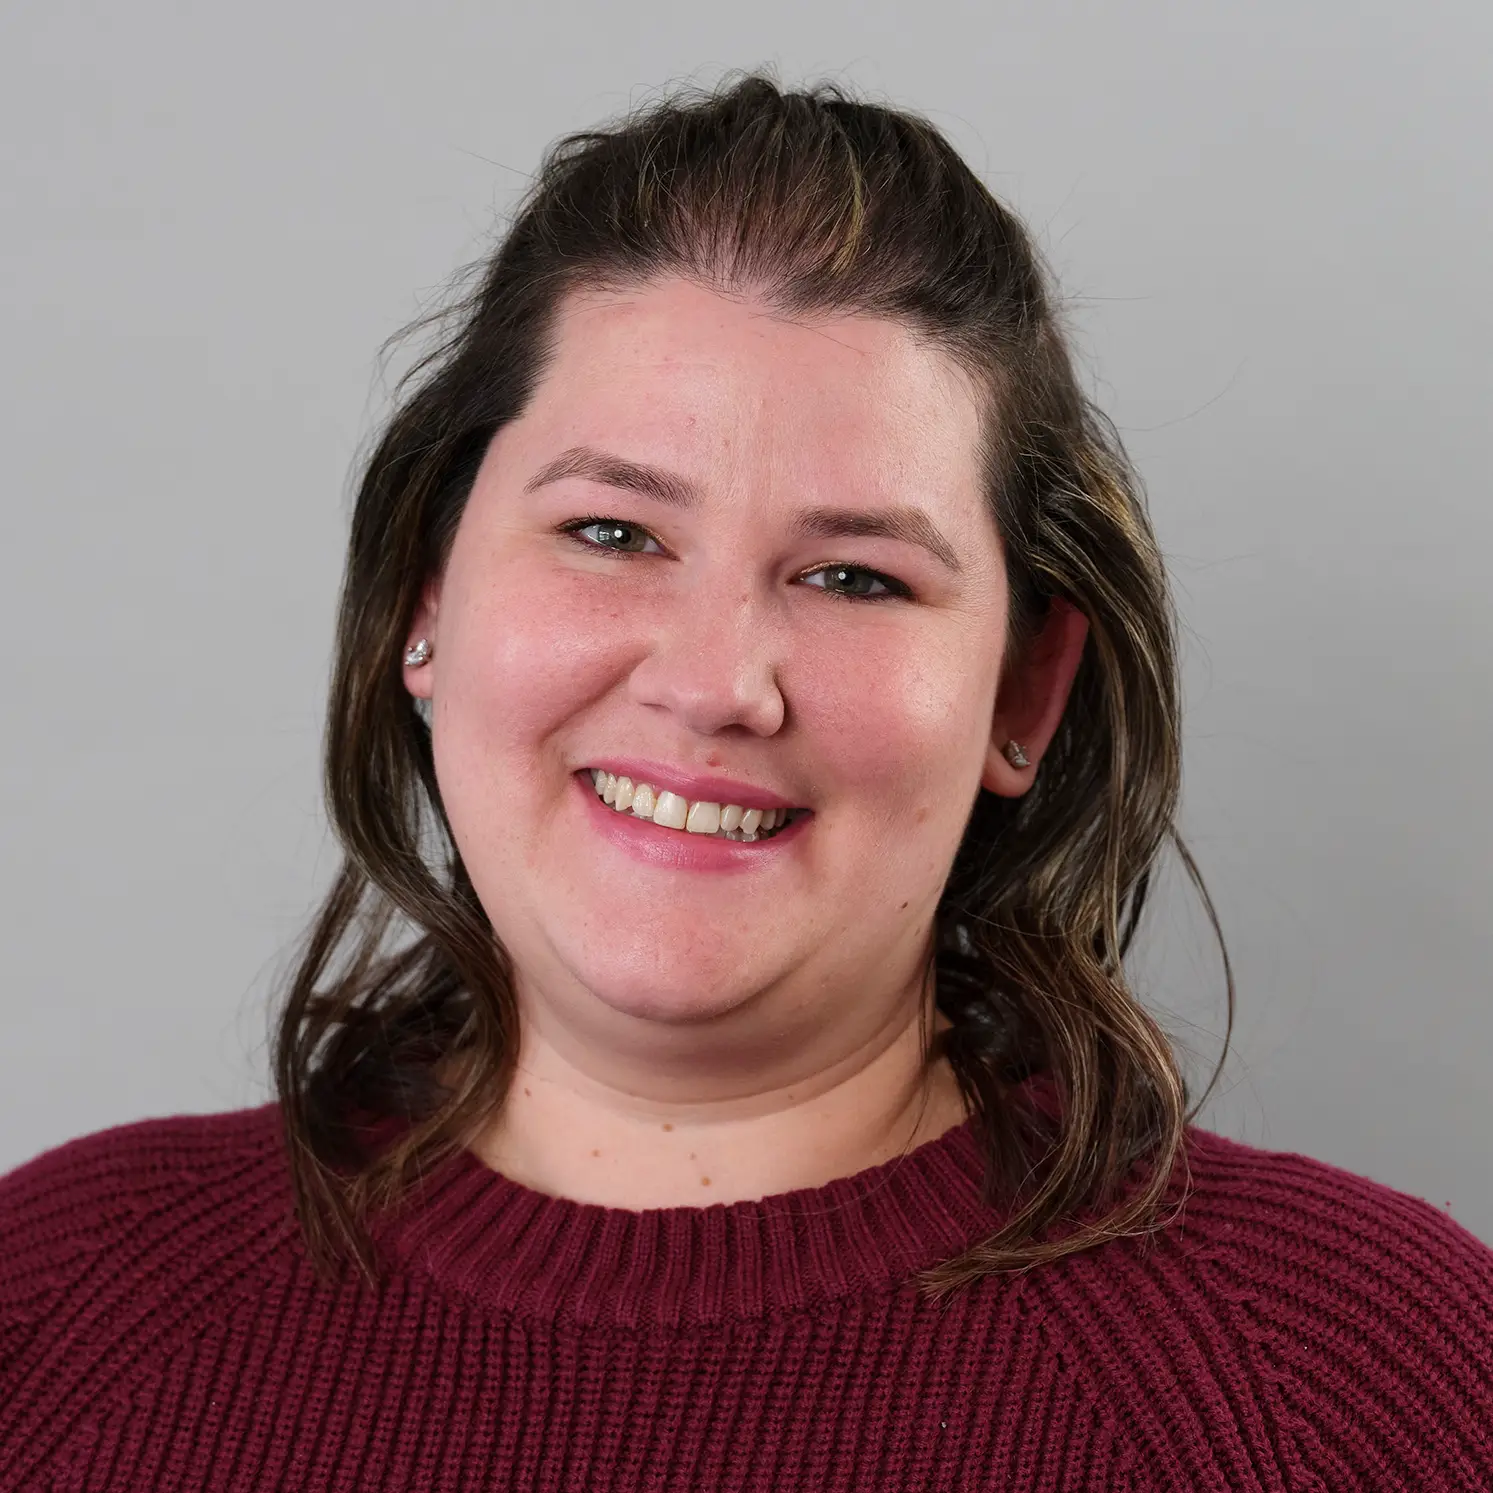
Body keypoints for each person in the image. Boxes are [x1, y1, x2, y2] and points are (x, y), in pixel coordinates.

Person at [2, 73, 1489, 1492]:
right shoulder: (54, 1315)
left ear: (1025, 692)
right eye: (611, 534)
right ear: (427, 600)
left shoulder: (1360, 1394)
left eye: (856, 575)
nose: (716, 681)